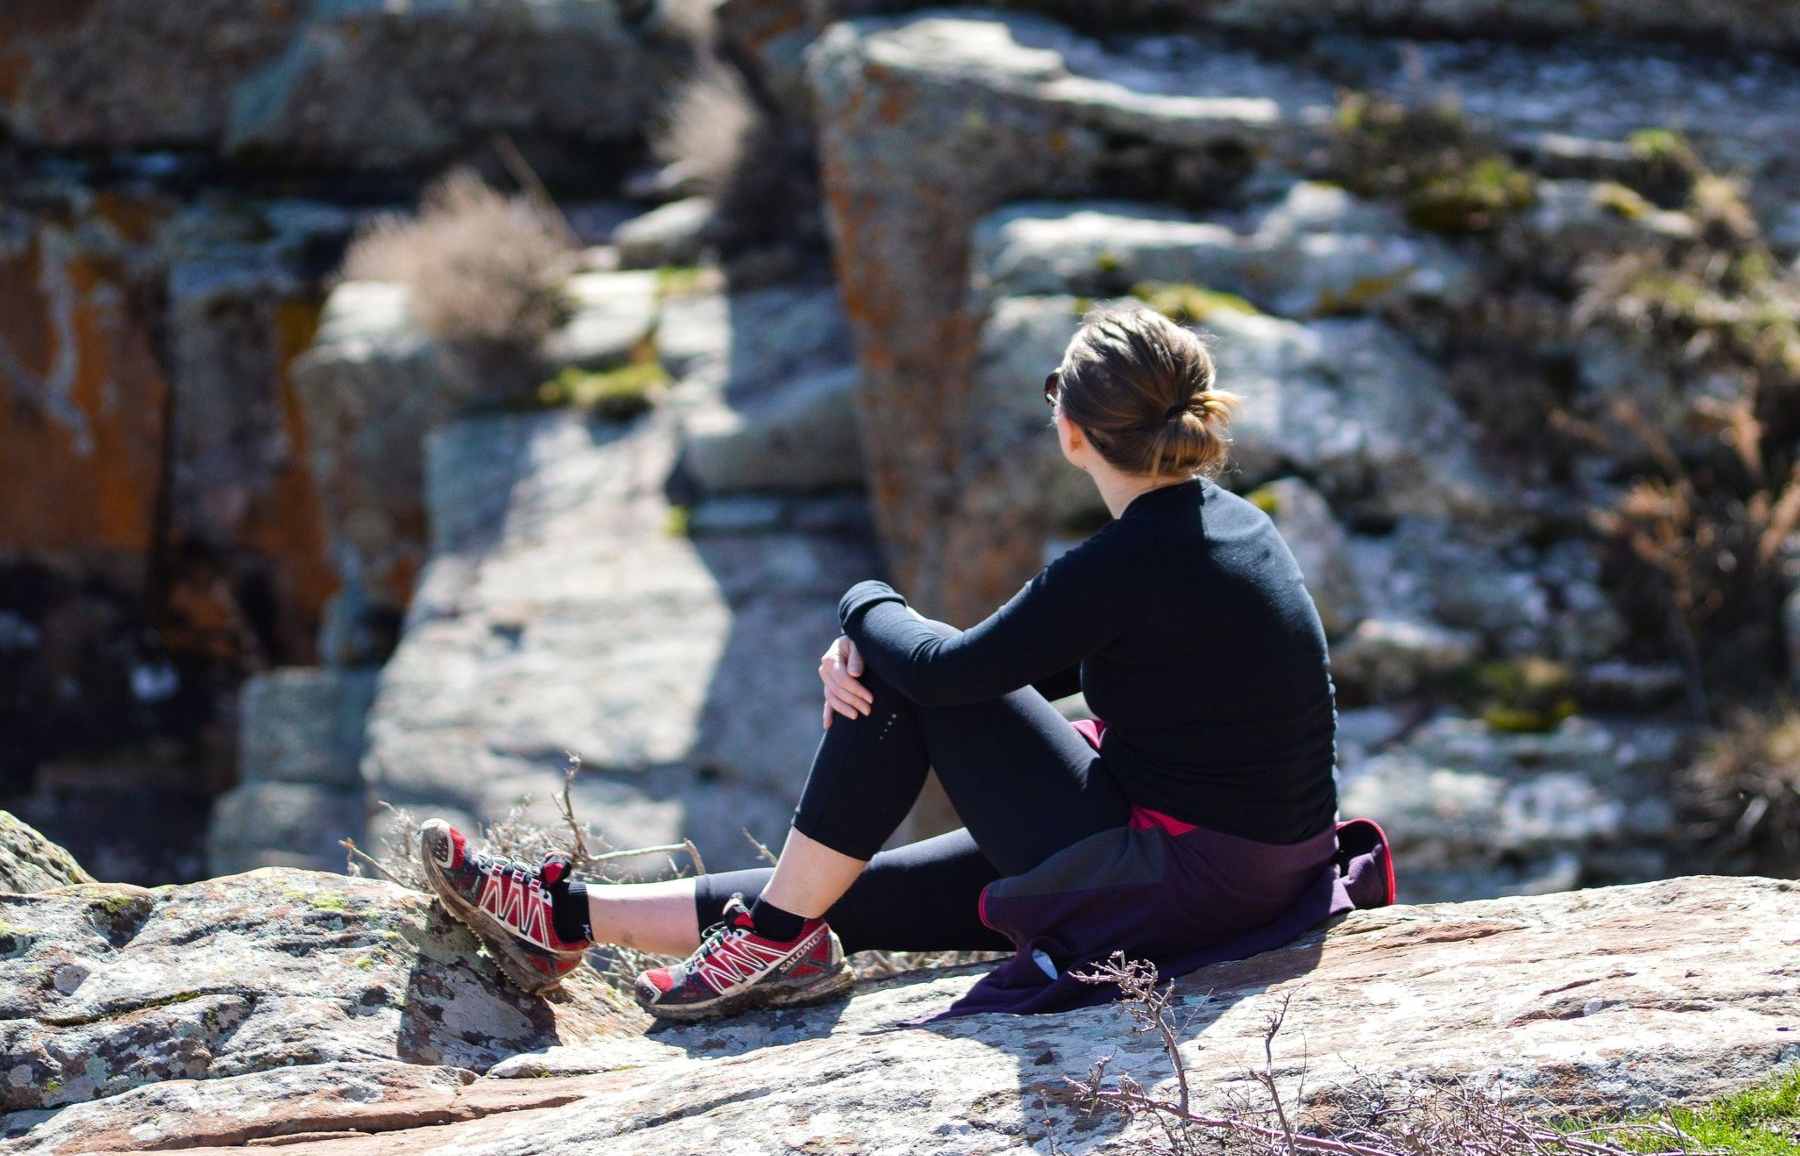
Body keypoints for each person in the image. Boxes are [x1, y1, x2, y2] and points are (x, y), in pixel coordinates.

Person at [419, 303, 1389, 1023]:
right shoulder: (1232, 525)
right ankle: (569, 916)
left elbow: (948, 673)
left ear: (1073, 431)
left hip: (1180, 876)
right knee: (848, 890)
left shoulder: (1122, 563)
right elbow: (1039, 676)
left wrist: (863, 610)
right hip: (1234, 862)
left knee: (899, 675)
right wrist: (901, 657)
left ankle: (764, 941)